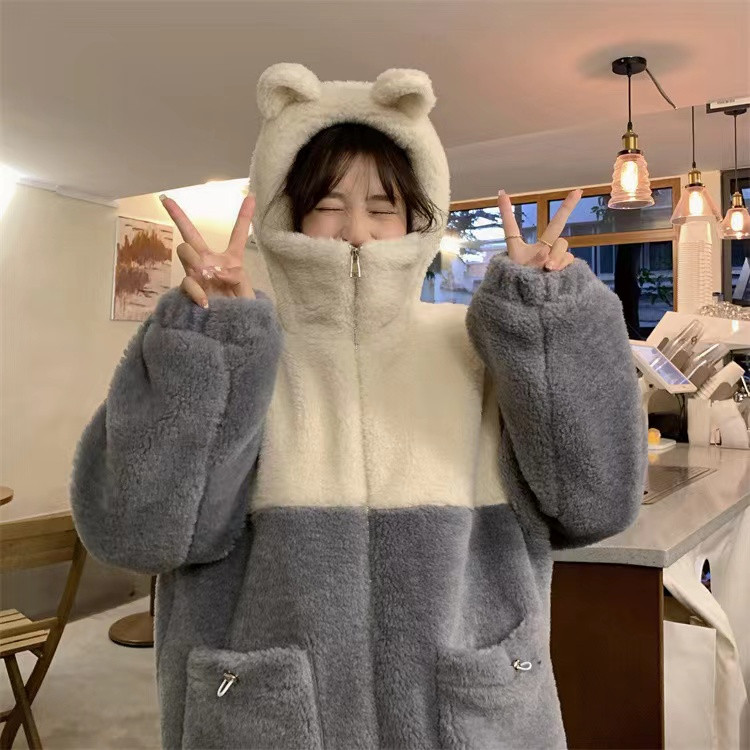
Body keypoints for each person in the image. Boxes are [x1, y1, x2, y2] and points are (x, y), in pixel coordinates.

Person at [71, 63, 646, 749]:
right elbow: (136, 534)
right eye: (327, 203)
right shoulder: (240, 348)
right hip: (268, 717)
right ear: (286, 211)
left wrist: (546, 327)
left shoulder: (478, 346)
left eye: (382, 207)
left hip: (468, 714)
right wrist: (207, 349)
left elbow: (595, 505)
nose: (356, 231)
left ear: (417, 217)